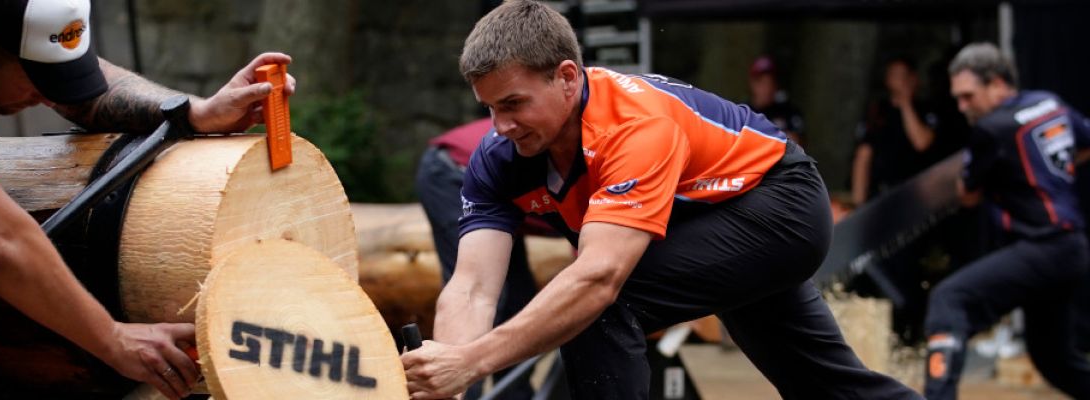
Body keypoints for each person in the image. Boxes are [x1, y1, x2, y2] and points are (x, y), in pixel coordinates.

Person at [400, 1, 922, 399]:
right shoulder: (498, 157)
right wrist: (445, 372)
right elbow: (469, 288)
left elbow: (600, 278)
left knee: (597, 307)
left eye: (514, 104)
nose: (500, 126)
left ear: (566, 77)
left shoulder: (633, 126)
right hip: (702, 224)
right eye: (489, 108)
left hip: (776, 204)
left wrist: (473, 361)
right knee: (826, 385)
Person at [0, 1, 295, 398]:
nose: (50, 98)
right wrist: (112, 339)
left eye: (58, 76)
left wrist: (194, 113)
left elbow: (81, 83)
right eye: (37, 79)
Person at [922, 42, 1090, 399]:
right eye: (958, 99)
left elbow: (967, 195)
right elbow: (1084, 144)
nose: (962, 108)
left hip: (1042, 246)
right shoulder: (1049, 103)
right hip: (1071, 247)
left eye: (968, 97)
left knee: (949, 299)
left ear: (997, 83)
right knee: (1054, 361)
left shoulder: (991, 129)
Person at [415, 118, 538, 399]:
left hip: (507, 200)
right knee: (485, 297)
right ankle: (461, 393)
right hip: (451, 171)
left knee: (521, 300)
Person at [852, 57, 941, 206]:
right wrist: (857, 203)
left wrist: (905, 103)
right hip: (881, 194)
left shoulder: (926, 109)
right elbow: (864, 155)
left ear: (913, 78)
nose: (899, 81)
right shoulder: (877, 111)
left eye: (903, 76)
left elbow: (921, 142)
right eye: (894, 75)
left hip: (917, 192)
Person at [746, 55, 806, 147]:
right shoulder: (743, 112)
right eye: (762, 83)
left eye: (771, 83)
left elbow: (798, 146)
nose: (767, 88)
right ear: (753, 84)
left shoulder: (788, 112)